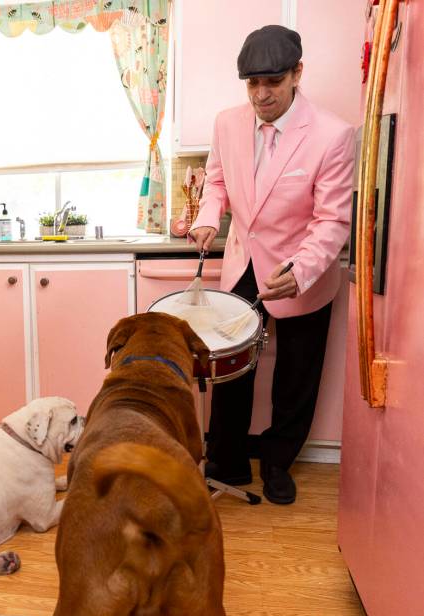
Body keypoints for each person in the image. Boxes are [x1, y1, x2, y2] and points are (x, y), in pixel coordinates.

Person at [189, 24, 355, 505]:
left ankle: (279, 462)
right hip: (243, 263)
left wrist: (301, 270)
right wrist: (206, 218)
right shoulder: (226, 123)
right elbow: (216, 184)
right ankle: (227, 462)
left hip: (302, 269)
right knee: (231, 370)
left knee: (296, 376)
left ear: (297, 74)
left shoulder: (333, 135)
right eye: (252, 84)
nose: (261, 95)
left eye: (273, 83)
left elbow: (332, 220)